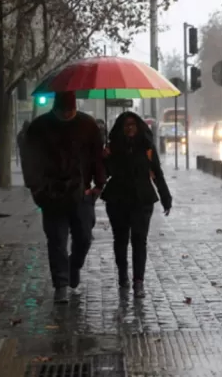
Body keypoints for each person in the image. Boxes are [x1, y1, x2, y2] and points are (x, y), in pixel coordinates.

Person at [23, 92, 105, 303]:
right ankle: (61, 284)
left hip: (82, 192)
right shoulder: (39, 127)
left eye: (71, 110)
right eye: (64, 111)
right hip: (52, 193)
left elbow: (97, 156)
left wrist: (99, 185)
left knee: (84, 237)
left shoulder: (88, 125)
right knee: (57, 239)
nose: (68, 114)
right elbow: (30, 160)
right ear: (56, 109)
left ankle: (73, 266)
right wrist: (37, 189)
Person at [102, 112, 171, 298]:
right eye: (126, 125)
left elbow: (157, 172)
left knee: (139, 240)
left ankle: (138, 281)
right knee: (121, 240)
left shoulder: (147, 147)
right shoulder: (113, 147)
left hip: (142, 199)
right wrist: (105, 158)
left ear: (139, 126)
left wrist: (165, 197)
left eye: (133, 124)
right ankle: (123, 275)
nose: (129, 128)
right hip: (117, 199)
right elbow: (104, 173)